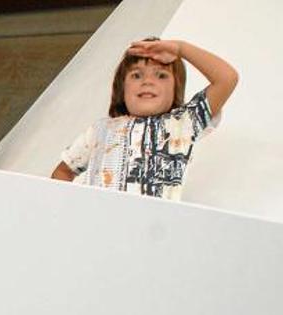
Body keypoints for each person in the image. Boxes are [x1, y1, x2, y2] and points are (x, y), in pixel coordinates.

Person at [51, 38, 238, 199]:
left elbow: (227, 78)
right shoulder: (100, 129)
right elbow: (63, 171)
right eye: (136, 75)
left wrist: (180, 49)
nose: (147, 81)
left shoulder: (184, 123)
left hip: (154, 233)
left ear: (176, 89)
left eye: (161, 75)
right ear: (122, 87)